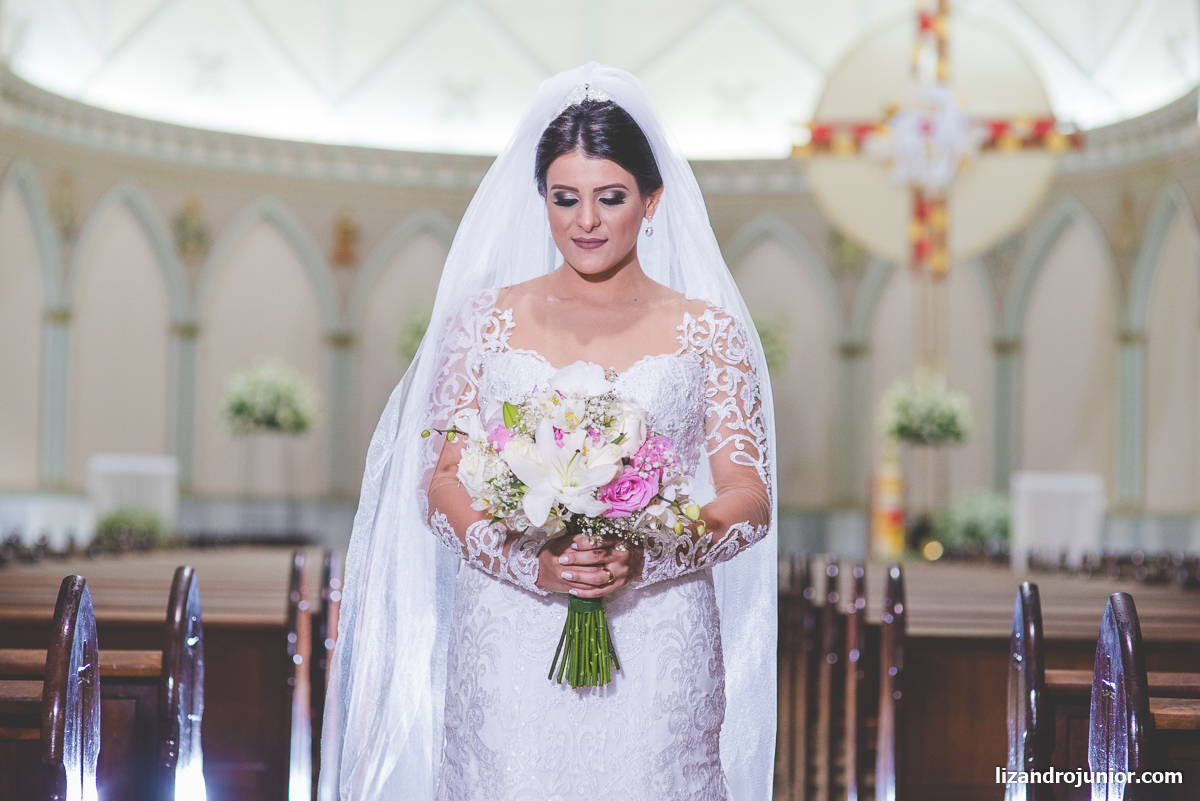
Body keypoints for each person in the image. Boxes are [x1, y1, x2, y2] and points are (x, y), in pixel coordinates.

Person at [322, 64, 778, 801]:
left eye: (611, 198)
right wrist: (527, 564)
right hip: (509, 635)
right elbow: (440, 483)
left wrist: (646, 552)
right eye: (565, 198)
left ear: (651, 200)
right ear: (541, 199)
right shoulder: (483, 323)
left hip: (658, 638)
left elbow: (750, 497)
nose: (586, 221)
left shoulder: (708, 333)